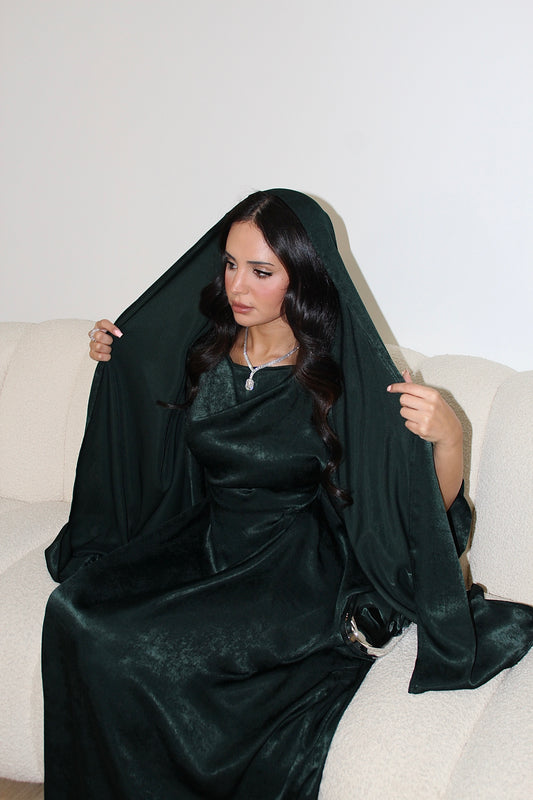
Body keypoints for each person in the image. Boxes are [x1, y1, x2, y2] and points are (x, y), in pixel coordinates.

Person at [42, 189, 533, 800]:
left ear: (301, 277)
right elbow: (147, 426)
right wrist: (118, 357)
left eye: (261, 271)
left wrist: (449, 438)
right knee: (74, 611)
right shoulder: (203, 350)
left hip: (292, 568)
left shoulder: (338, 375)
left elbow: (413, 505)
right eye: (230, 264)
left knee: (144, 650)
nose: (237, 286)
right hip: (206, 540)